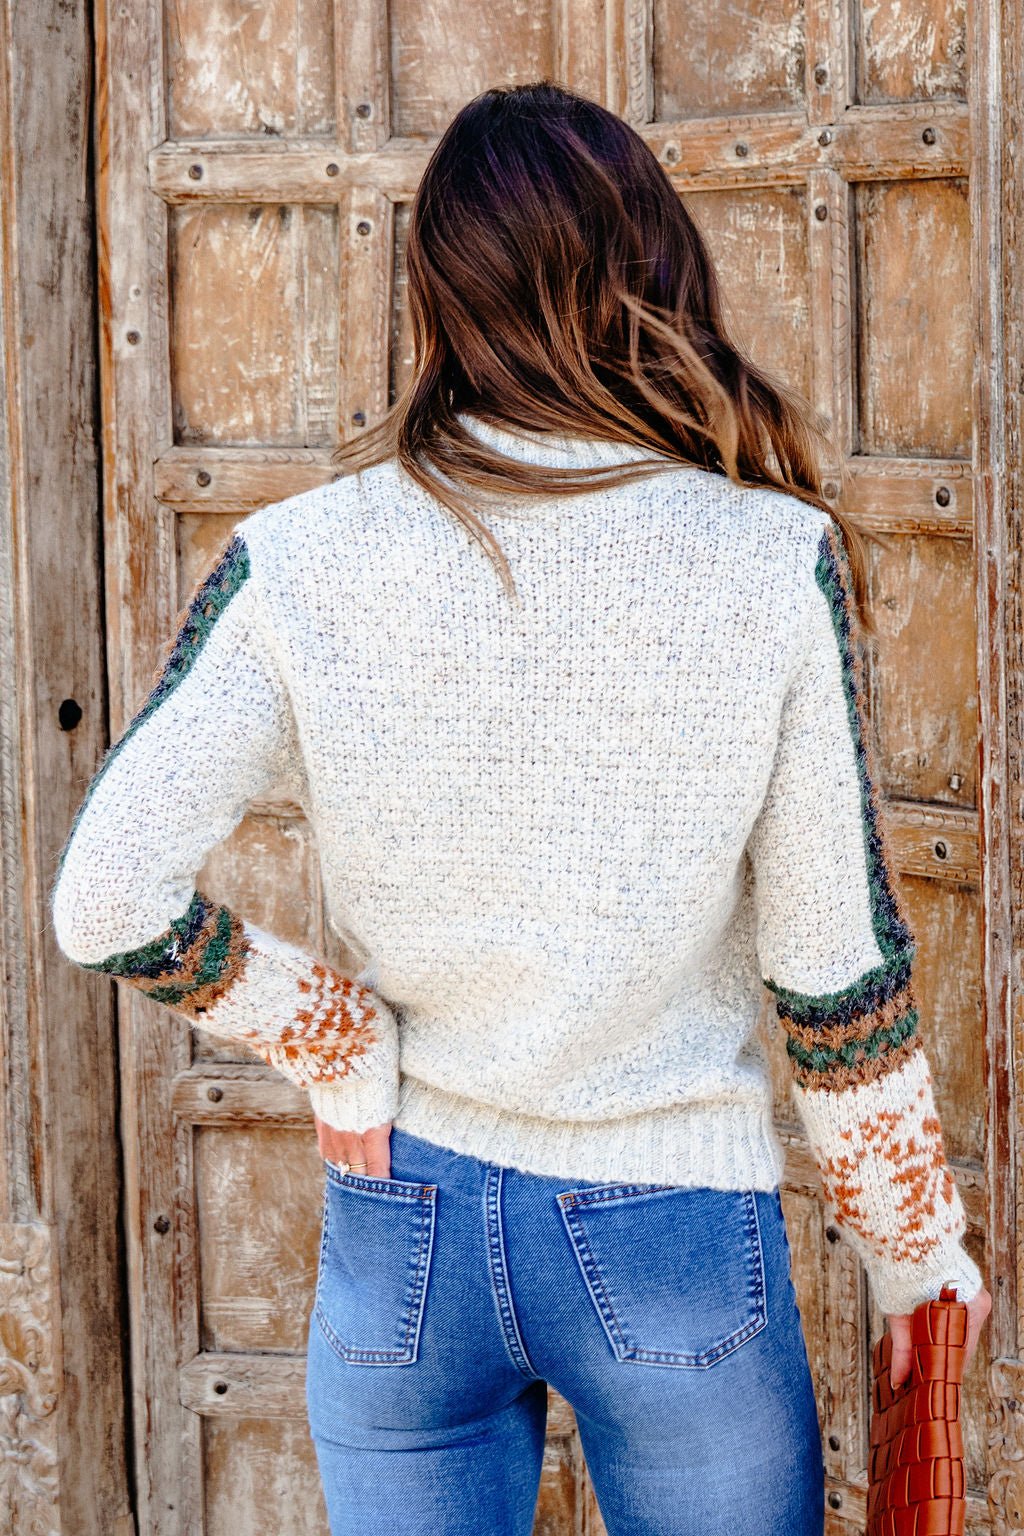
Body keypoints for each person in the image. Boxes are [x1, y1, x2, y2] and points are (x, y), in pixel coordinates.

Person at [49, 78, 990, 1536]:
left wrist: (331, 1031)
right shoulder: (766, 554)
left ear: (437, 295)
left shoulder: (298, 555)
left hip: (400, 1218)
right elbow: (831, 976)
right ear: (660, 267)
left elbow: (104, 896)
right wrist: (915, 1258)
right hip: (670, 1234)